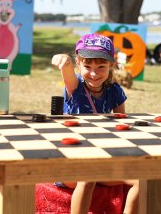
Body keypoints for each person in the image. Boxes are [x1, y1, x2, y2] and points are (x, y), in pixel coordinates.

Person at [51, 33, 139, 214]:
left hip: (102, 157)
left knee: (142, 180)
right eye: (87, 66)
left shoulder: (114, 90)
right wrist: (65, 62)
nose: (93, 73)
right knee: (87, 176)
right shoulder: (75, 87)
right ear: (78, 64)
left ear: (111, 65)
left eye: (101, 66)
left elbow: (121, 125)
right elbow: (67, 74)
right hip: (71, 159)